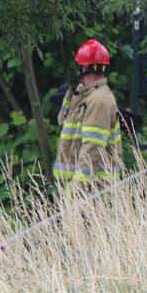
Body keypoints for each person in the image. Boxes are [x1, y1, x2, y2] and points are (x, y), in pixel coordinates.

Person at [53, 39, 123, 190]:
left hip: (91, 188)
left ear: (83, 67)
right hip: (79, 184)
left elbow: (93, 147)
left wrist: (77, 187)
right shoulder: (85, 96)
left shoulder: (99, 100)